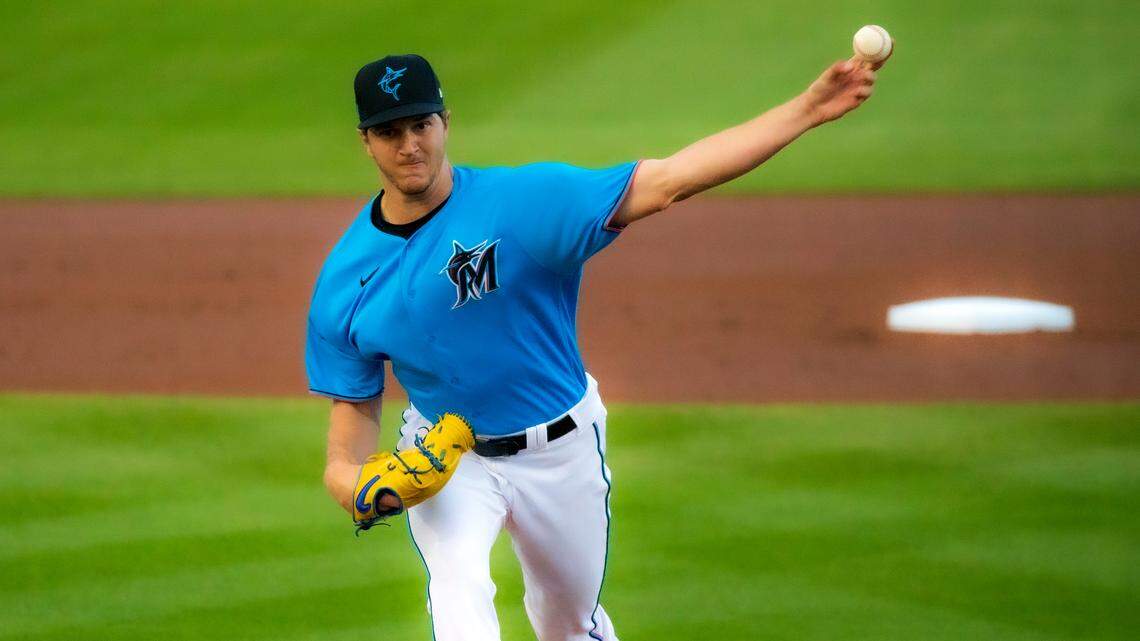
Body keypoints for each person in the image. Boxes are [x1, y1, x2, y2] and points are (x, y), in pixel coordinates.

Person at [307, 50, 888, 641]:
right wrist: (353, 486)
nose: (408, 145)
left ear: (445, 122)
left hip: (561, 451)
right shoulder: (343, 280)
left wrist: (808, 109)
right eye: (388, 131)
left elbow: (669, 180)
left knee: (567, 625)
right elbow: (350, 421)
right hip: (448, 457)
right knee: (459, 596)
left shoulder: (524, 203)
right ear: (366, 142)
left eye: (420, 124)